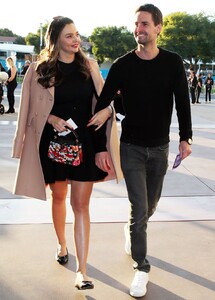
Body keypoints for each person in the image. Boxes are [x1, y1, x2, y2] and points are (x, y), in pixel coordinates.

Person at [88, 4, 192, 297]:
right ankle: (141, 267)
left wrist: (186, 139)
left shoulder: (173, 63)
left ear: (158, 28)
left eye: (145, 24)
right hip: (131, 147)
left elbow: (183, 103)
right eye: (136, 24)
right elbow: (103, 105)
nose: (139, 29)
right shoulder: (122, 65)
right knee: (139, 208)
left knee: (150, 207)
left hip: (160, 148)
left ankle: (133, 232)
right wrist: (100, 145)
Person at [12, 16, 122, 290]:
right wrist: (50, 119)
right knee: (58, 196)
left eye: (77, 35)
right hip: (53, 145)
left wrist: (106, 118)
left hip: (85, 141)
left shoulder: (90, 67)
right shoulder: (39, 70)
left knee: (81, 205)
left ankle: (82, 271)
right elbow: (29, 110)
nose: (76, 40)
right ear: (57, 39)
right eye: (69, 36)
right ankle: (62, 244)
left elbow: (110, 100)